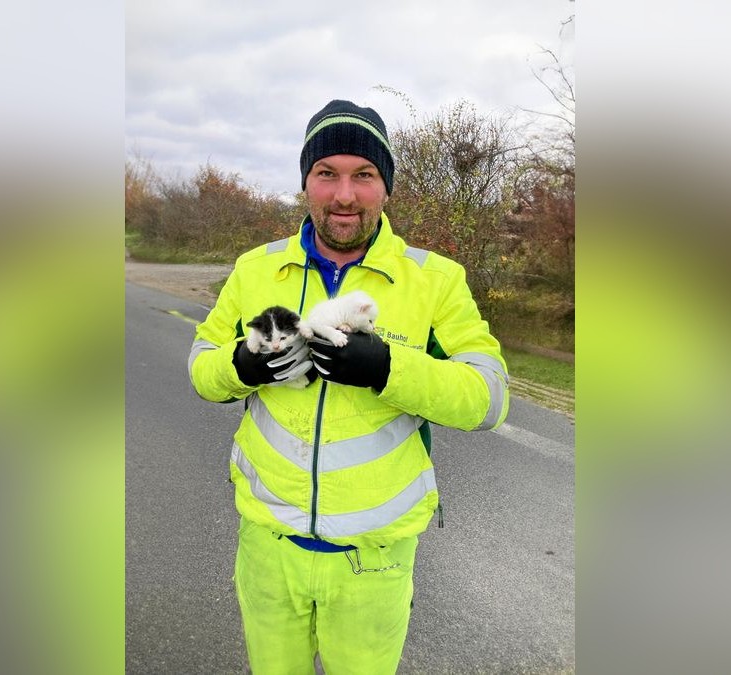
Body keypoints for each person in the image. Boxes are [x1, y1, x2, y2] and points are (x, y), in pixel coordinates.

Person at [188, 99, 510, 674]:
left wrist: (389, 368)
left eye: (363, 175)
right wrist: (242, 365)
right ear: (305, 182)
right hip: (268, 547)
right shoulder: (253, 269)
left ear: (385, 186)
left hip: (374, 562)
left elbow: (488, 397)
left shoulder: (434, 279)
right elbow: (202, 369)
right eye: (326, 174)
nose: (343, 195)